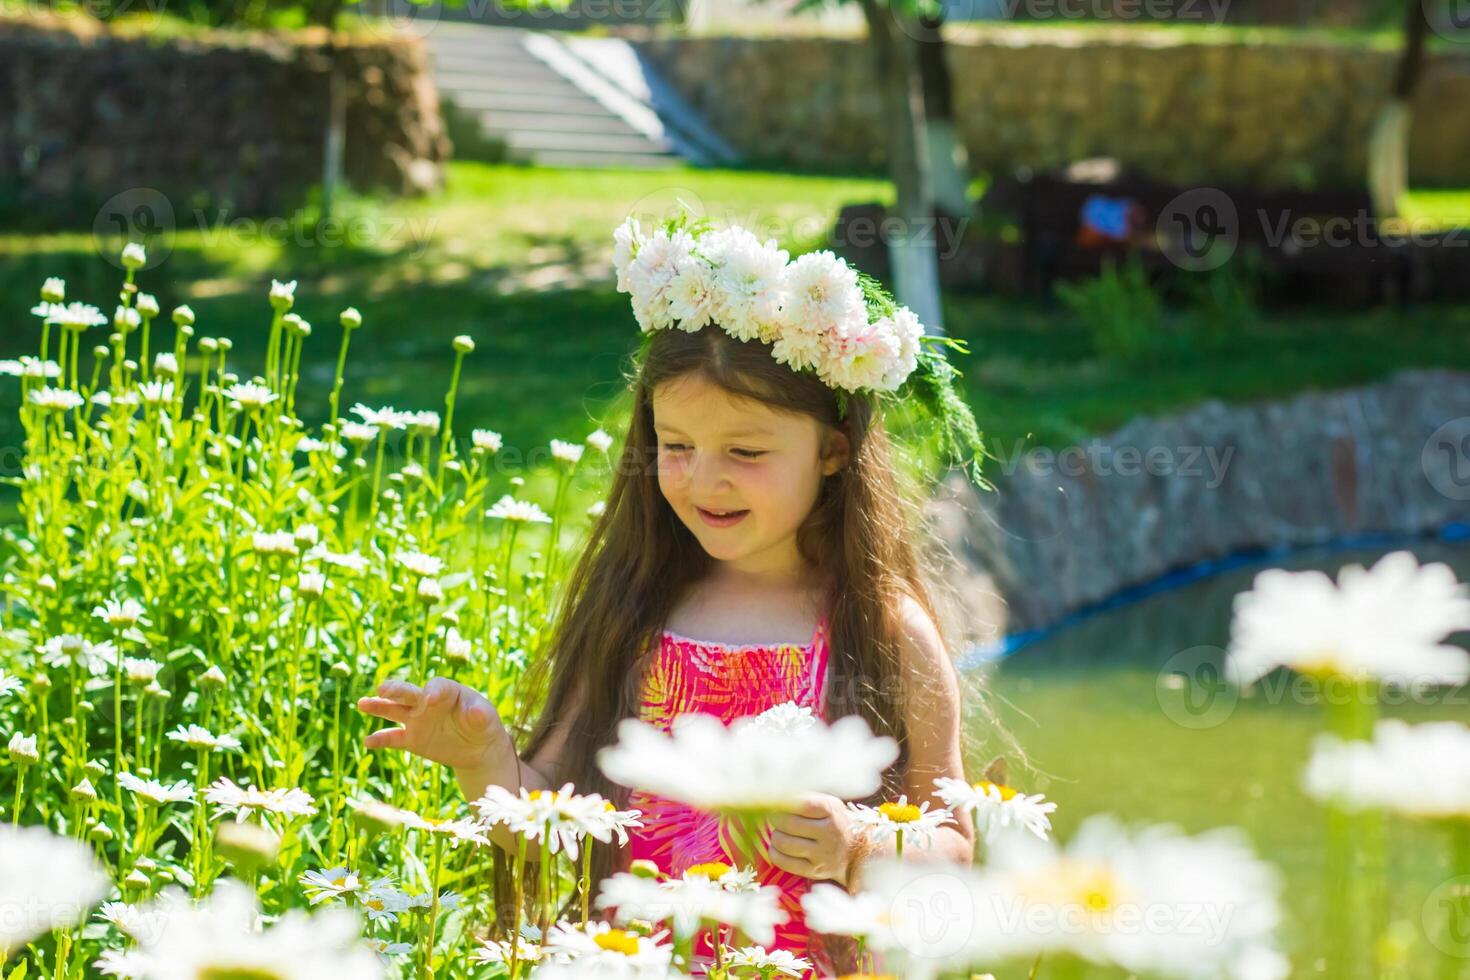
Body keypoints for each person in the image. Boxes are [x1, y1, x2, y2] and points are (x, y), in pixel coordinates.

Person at [356, 212, 994, 974]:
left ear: (833, 451)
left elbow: (954, 849)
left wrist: (858, 844)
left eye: (745, 451)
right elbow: (542, 821)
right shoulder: (641, 610)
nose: (704, 479)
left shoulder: (884, 630)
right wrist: (484, 761)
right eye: (677, 447)